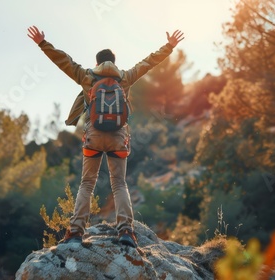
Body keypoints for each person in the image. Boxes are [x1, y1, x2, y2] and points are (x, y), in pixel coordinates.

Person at [27, 25, 184, 248]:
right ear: (114, 61)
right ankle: (126, 231)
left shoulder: (87, 77)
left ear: (97, 62)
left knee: (87, 183)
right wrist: (169, 47)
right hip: (118, 137)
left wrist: (43, 43)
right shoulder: (124, 78)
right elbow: (148, 63)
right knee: (119, 184)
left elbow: (63, 61)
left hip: (93, 136)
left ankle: (75, 232)